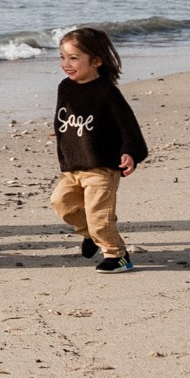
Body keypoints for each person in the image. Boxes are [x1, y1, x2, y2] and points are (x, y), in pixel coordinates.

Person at [52, 26, 150, 273]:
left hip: (102, 167)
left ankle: (118, 256)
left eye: (74, 58)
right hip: (72, 166)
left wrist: (132, 152)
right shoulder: (65, 87)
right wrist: (64, 155)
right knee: (61, 203)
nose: (66, 64)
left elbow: (129, 126)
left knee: (100, 216)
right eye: (63, 57)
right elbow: (62, 124)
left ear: (96, 61)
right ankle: (91, 234)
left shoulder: (107, 92)